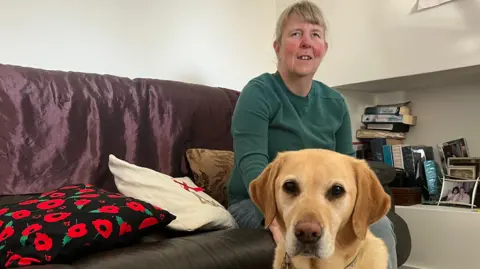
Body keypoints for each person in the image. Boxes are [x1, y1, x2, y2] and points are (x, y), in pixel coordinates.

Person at [226, 1, 398, 269]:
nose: (306, 42)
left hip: (322, 199)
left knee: (380, 226)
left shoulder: (335, 103)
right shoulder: (258, 93)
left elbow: (348, 167)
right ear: (277, 47)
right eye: (295, 34)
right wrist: (273, 218)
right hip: (254, 202)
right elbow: (253, 165)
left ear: (323, 49)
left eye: (315, 35)